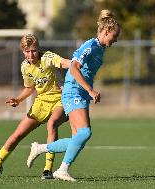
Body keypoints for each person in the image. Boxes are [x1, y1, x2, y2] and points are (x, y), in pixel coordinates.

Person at [26, 10, 121, 181]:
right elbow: (73, 68)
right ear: (106, 32)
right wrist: (91, 90)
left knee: (79, 139)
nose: (116, 40)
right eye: (114, 36)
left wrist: (88, 91)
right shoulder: (90, 46)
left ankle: (40, 148)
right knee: (84, 133)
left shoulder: (99, 47)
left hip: (80, 92)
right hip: (73, 92)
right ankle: (61, 170)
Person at [0, 34, 71, 179]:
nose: (31, 54)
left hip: (60, 99)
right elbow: (30, 88)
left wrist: (75, 63)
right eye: (28, 51)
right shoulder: (25, 67)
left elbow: (63, 62)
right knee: (17, 135)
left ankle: (47, 170)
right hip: (41, 102)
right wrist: (18, 99)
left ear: (38, 48)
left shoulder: (47, 57)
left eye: (34, 50)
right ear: (23, 52)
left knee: (52, 124)